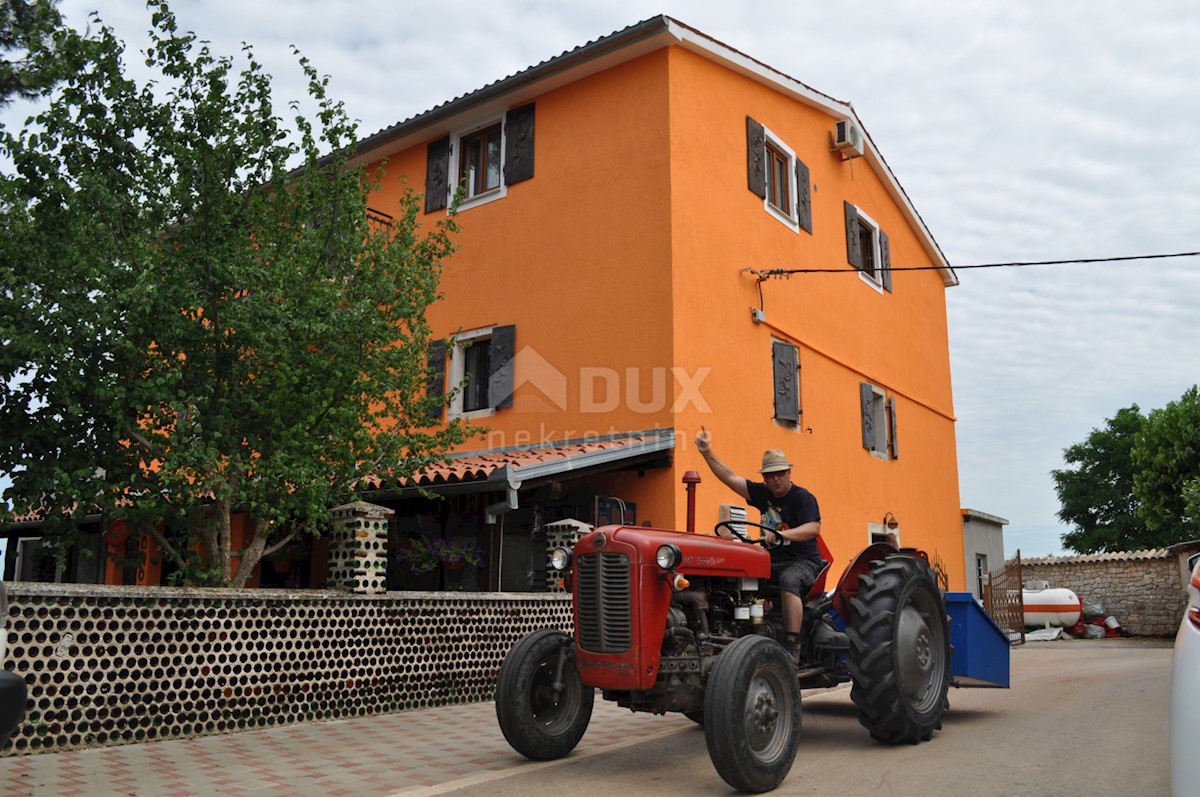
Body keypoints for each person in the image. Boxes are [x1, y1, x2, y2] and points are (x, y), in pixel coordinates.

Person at [695, 426, 824, 660]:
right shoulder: (762, 494)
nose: (775, 479)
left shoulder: (802, 498)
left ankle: (793, 646)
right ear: (764, 478)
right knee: (733, 582)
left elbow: (813, 528)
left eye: (780, 473)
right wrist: (707, 452)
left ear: (788, 473)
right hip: (770, 562)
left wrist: (784, 535)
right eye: (770, 475)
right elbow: (729, 477)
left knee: (789, 580)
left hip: (803, 562)